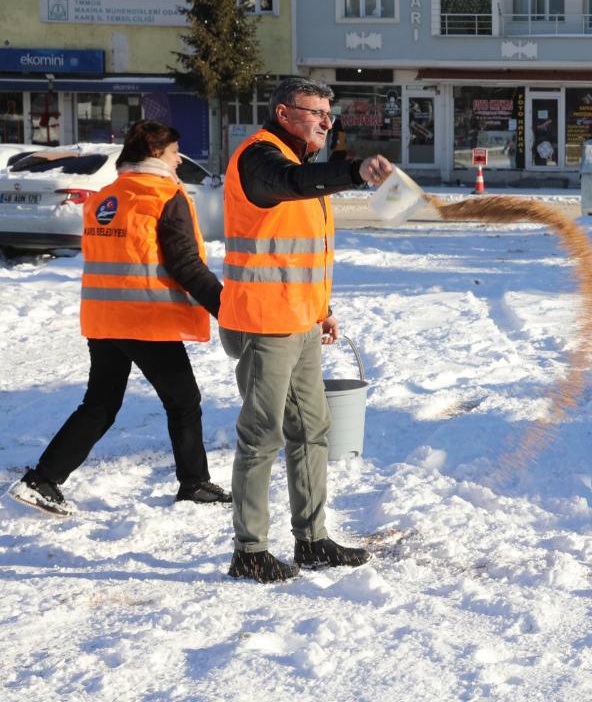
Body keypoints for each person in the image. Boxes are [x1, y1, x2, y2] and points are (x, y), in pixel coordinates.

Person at [219, 77, 393, 583]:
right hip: (262, 322)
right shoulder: (260, 158)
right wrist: (355, 171)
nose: (325, 121)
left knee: (313, 430)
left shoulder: (301, 167)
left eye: (328, 114)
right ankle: (249, 549)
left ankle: (312, 540)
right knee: (261, 436)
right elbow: (291, 186)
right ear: (283, 112)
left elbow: (297, 251)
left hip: (299, 320)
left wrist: (321, 308)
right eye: (315, 111)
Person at [7, 121, 229, 516]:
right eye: (176, 152)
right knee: (183, 401)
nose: (179, 160)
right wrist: (227, 307)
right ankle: (193, 483)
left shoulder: (107, 195)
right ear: (157, 154)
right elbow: (185, 264)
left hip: (104, 316)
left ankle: (42, 480)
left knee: (101, 403)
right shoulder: (165, 195)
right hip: (145, 316)